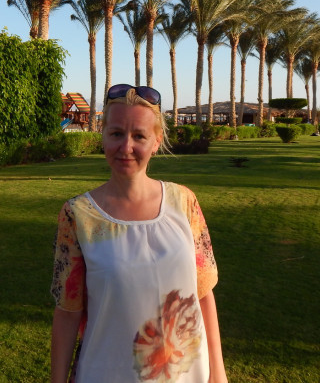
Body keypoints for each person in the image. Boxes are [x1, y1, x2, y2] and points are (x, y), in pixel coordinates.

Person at [50, 84, 228, 383]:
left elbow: (203, 293)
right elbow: (68, 312)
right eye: (116, 133)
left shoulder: (184, 203)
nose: (126, 147)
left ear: (156, 141)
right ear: (103, 136)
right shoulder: (78, 215)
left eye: (139, 136)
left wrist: (218, 374)